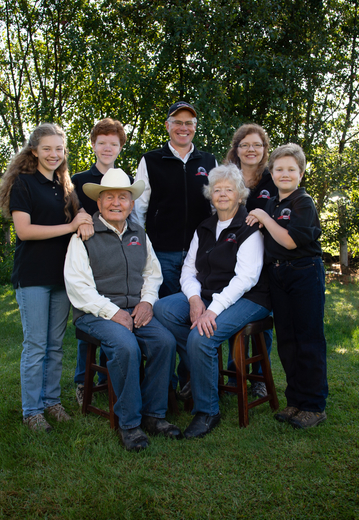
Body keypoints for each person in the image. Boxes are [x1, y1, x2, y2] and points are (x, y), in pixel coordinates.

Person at [64, 168, 181, 452]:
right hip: (94, 314)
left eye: (123, 198)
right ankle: (129, 424)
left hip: (134, 309)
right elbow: (78, 287)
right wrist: (112, 312)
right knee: (127, 347)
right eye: (109, 197)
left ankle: (155, 415)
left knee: (164, 342)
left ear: (131, 203)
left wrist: (146, 302)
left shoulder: (139, 233)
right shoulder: (84, 235)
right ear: (100, 202)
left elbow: (152, 273)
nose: (116, 203)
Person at [154, 164, 270, 439]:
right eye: (217, 189)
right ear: (210, 195)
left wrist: (211, 311)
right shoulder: (204, 227)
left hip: (249, 297)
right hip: (207, 294)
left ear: (240, 195)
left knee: (202, 339)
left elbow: (246, 279)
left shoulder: (248, 228)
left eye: (229, 189)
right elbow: (188, 270)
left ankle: (208, 411)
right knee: (163, 310)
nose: (222, 194)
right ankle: (204, 370)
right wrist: (194, 300)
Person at [0, 123, 94, 433]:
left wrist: (84, 221)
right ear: (34, 151)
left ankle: (52, 401)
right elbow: (23, 231)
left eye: (59, 149)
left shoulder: (65, 187)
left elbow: (81, 221)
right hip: (33, 276)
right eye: (47, 148)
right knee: (36, 345)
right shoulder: (23, 184)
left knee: (54, 345)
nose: (54, 154)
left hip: (61, 276)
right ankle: (32, 410)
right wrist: (70, 226)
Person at [133, 101, 217, 395]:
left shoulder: (208, 161)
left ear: (195, 128)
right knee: (165, 320)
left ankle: (190, 379)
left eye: (189, 123)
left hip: (199, 257)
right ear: (167, 125)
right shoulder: (151, 160)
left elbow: (216, 206)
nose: (184, 128)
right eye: (177, 122)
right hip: (163, 254)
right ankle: (164, 385)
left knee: (194, 316)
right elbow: (138, 209)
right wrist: (144, 247)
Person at [246, 143, 328, 429]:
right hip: (278, 277)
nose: (284, 174)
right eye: (279, 169)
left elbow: (290, 241)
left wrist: (264, 216)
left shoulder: (302, 203)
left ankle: (314, 405)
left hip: (304, 274)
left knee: (308, 341)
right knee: (288, 342)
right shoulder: (273, 204)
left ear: (301, 173)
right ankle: (295, 401)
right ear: (272, 172)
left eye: (291, 169)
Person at [71, 118, 131, 407]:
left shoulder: (124, 177)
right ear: (93, 145)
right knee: (92, 313)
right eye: (102, 142)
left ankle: (109, 379)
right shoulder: (80, 180)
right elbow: (75, 214)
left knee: (117, 313)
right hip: (89, 253)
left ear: (120, 148)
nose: (108, 148)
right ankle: (83, 381)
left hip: (117, 255)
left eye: (114, 143)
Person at [223, 124, 278, 399]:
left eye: (257, 145)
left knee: (259, 315)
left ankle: (257, 376)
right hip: (232, 257)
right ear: (237, 149)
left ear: (264, 150)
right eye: (245, 145)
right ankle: (235, 372)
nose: (251, 150)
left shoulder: (273, 179)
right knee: (233, 307)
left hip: (266, 257)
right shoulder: (228, 178)